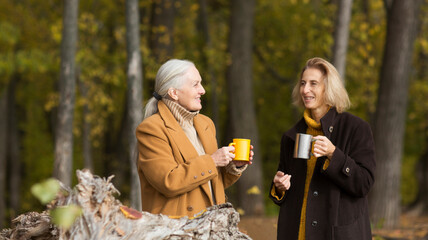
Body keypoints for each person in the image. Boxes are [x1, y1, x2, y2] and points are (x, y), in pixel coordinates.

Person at [269, 57, 376, 240]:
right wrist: (279, 187)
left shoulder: (356, 128)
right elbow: (288, 189)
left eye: (313, 84)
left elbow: (364, 184)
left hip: (338, 235)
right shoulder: (291, 136)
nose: (305, 90)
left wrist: (334, 154)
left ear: (329, 87)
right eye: (303, 83)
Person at [136, 59, 253, 218]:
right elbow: (168, 182)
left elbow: (210, 184)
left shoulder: (206, 124)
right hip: (176, 229)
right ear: (174, 93)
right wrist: (212, 161)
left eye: (201, 84)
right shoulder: (151, 129)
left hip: (211, 226)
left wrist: (233, 166)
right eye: (195, 84)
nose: (203, 90)